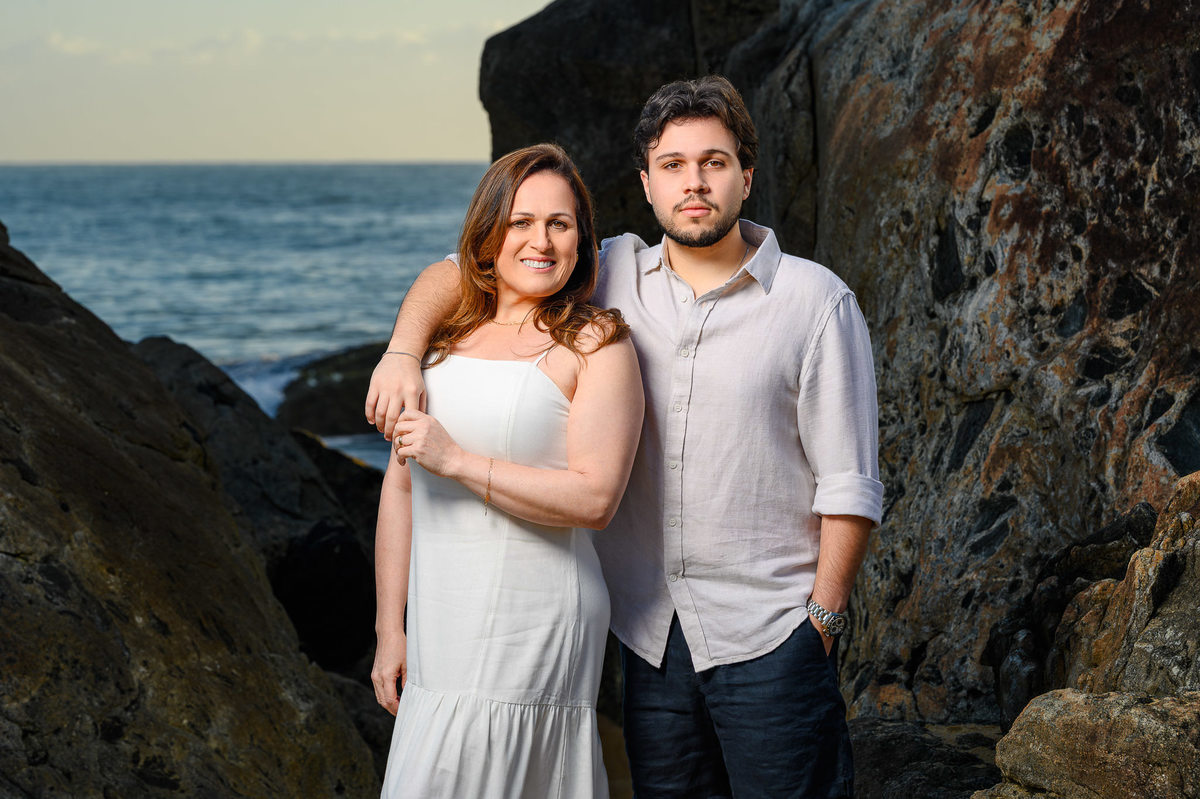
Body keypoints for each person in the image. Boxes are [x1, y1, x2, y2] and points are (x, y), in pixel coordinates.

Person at [367, 76, 883, 798]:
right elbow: (465, 268)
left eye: (714, 162)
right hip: (651, 639)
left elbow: (850, 482)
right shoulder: (611, 274)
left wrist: (819, 624)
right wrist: (402, 350)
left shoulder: (814, 300)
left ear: (747, 176)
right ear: (645, 183)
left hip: (771, 633)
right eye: (673, 165)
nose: (694, 183)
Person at [369, 143, 644, 798]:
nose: (540, 240)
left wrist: (459, 461)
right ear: (488, 234)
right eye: (521, 222)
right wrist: (388, 627)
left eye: (560, 223)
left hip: (537, 610)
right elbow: (401, 486)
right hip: (442, 616)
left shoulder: (596, 341)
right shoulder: (444, 337)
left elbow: (595, 497)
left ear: (583, 240)